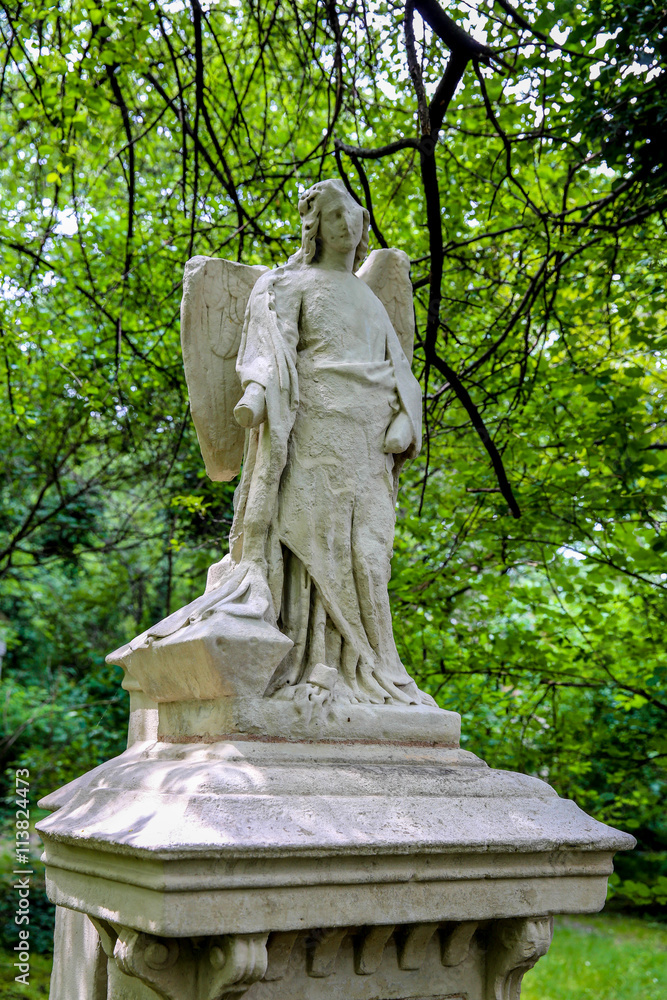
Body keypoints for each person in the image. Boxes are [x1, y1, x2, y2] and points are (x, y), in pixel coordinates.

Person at [204, 179, 433, 707]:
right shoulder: (293, 285)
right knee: (317, 540)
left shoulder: (372, 298)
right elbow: (272, 353)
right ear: (315, 227)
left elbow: (398, 369)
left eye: (353, 215)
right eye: (334, 217)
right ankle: (316, 662)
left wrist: (405, 418)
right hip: (315, 428)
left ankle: (367, 664)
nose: (348, 226)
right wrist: (258, 394)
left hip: (367, 438)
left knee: (368, 553)